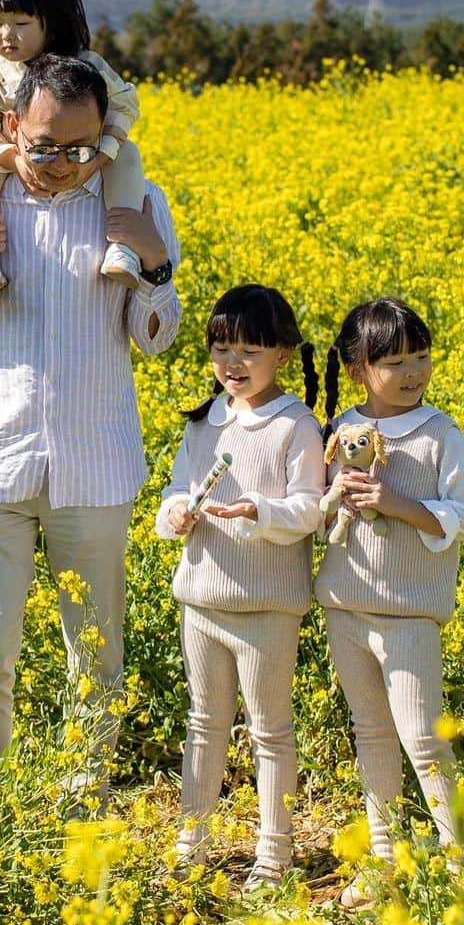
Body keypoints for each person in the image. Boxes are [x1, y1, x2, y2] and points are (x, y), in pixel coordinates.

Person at [0, 53, 181, 803]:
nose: (62, 164)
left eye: (79, 148)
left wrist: (158, 266)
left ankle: (84, 798)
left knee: (94, 653)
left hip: (93, 467)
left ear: (103, 138)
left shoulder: (133, 205)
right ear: (11, 127)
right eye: (43, 146)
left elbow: (155, 338)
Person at [314, 297, 464, 908]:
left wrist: (397, 505)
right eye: (396, 361)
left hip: (411, 611)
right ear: (359, 368)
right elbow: (314, 512)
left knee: (422, 736)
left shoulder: (441, 434)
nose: (414, 371)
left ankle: (461, 861)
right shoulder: (336, 429)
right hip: (345, 605)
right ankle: (383, 859)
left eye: (421, 355)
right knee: (372, 733)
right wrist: (333, 495)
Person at [155, 285, 325, 888]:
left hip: (267, 607)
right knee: (204, 722)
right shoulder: (205, 421)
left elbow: (310, 508)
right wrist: (174, 514)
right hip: (201, 598)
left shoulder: (296, 425)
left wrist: (259, 510)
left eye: (249, 349)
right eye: (221, 348)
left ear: (283, 353)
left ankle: (274, 856)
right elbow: (176, 489)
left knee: (269, 730)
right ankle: (191, 842)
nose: (232, 362)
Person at [0, 0, 146, 304]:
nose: (6, 35)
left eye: (21, 23)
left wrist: (99, 157)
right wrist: (11, 159)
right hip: (14, 165)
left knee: (128, 155)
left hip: (86, 161)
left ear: (51, 26)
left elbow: (123, 106)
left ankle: (124, 249)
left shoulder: (86, 66)